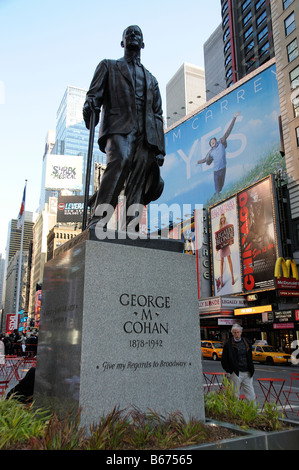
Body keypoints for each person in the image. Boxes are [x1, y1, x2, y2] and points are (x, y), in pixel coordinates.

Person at [83, 25, 165, 231]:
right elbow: (93, 96)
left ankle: (132, 225)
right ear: (122, 43)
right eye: (129, 33)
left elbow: (157, 114)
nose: (133, 35)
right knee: (120, 161)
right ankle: (99, 219)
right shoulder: (108, 66)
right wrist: (90, 106)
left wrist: (160, 149)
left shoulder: (152, 79)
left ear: (143, 44)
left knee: (138, 177)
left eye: (138, 33)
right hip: (119, 127)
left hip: (146, 134)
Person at [197, 112, 240, 194]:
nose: (212, 142)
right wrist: (197, 162)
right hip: (216, 171)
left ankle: (216, 196)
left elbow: (228, 131)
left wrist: (234, 118)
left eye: (213, 141)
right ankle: (216, 196)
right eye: (210, 142)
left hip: (223, 169)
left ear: (215, 141)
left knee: (221, 187)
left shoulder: (221, 143)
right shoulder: (211, 152)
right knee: (217, 189)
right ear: (210, 145)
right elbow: (205, 160)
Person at [221, 324, 256, 402]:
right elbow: (224, 360)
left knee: (251, 394)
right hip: (236, 372)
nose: (236, 334)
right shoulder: (228, 344)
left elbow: (250, 356)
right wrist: (230, 371)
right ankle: (235, 413)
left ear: (241, 332)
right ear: (232, 333)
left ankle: (252, 411)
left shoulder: (246, 341)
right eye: (235, 332)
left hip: (247, 372)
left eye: (238, 332)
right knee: (235, 394)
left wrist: (251, 369)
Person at [216, 213, 235, 288]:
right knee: (221, 262)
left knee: (229, 260)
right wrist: (217, 247)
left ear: (224, 218)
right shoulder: (219, 227)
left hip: (226, 245)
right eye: (221, 219)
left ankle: (232, 277)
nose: (222, 220)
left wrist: (230, 240)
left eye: (223, 218)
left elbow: (229, 233)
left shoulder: (226, 224)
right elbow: (218, 238)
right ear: (220, 220)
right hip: (222, 247)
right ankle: (222, 279)